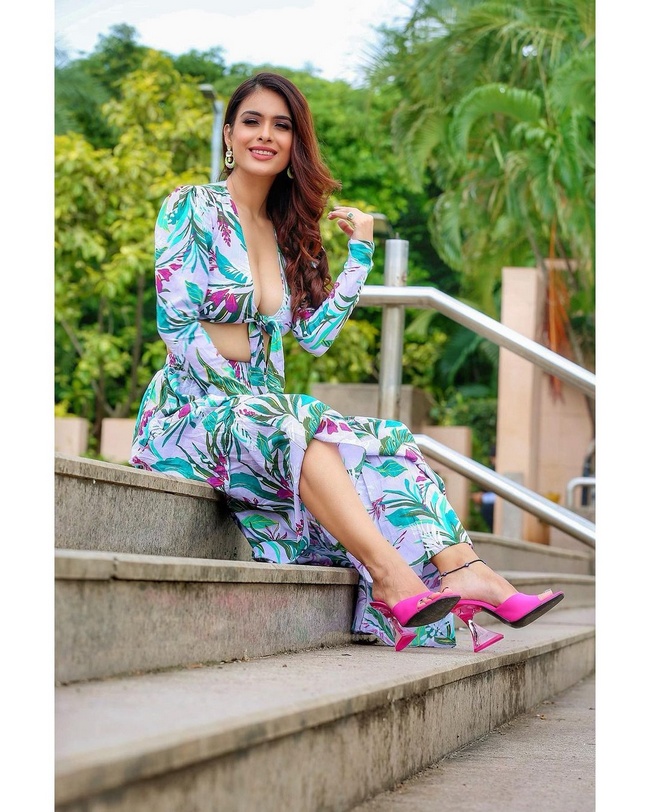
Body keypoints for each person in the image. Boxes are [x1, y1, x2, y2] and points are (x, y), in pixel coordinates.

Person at [130, 72, 563, 653]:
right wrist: (245, 393)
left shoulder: (288, 232)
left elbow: (314, 336)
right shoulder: (192, 207)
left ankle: (468, 571)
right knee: (298, 422)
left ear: (295, 143)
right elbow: (177, 323)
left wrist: (359, 253)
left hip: (260, 415)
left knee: (390, 442)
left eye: (281, 126)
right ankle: (391, 578)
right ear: (229, 134)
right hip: (189, 413)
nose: (265, 135)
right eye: (251, 121)